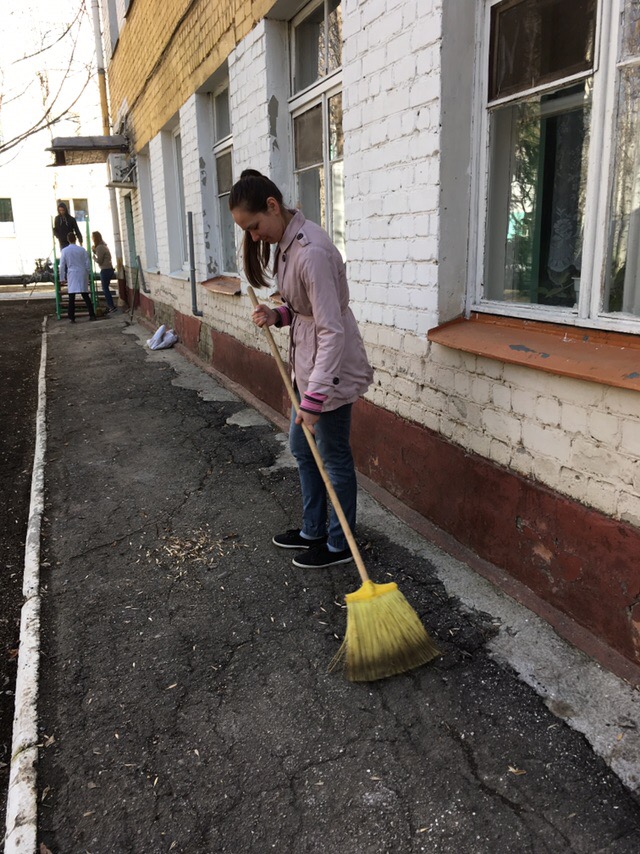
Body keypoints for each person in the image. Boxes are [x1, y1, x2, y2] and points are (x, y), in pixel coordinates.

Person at [229, 169, 373, 569]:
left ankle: (341, 544)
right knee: (301, 447)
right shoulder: (287, 245)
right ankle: (313, 528)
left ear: (272, 206)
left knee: (333, 456)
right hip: (307, 367)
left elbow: (332, 329)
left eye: (255, 226)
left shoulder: (311, 251)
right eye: (248, 231)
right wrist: (278, 315)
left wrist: (314, 399)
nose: (254, 237)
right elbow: (304, 309)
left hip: (329, 372)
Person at [59, 232, 96, 323]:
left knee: (72, 296)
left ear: (68, 240)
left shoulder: (64, 251)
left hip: (72, 273)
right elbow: (87, 263)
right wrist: (88, 272)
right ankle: (92, 314)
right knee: (85, 294)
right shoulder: (82, 250)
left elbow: (62, 265)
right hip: (82, 272)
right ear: (75, 239)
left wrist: (62, 278)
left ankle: (71, 316)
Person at [91, 231, 117, 312]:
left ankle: (111, 306)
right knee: (106, 288)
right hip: (109, 269)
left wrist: (93, 257)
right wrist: (95, 251)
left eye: (92, 237)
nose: (91, 238)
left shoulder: (100, 247)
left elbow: (99, 260)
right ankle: (111, 306)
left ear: (95, 238)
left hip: (105, 270)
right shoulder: (103, 246)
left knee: (105, 289)